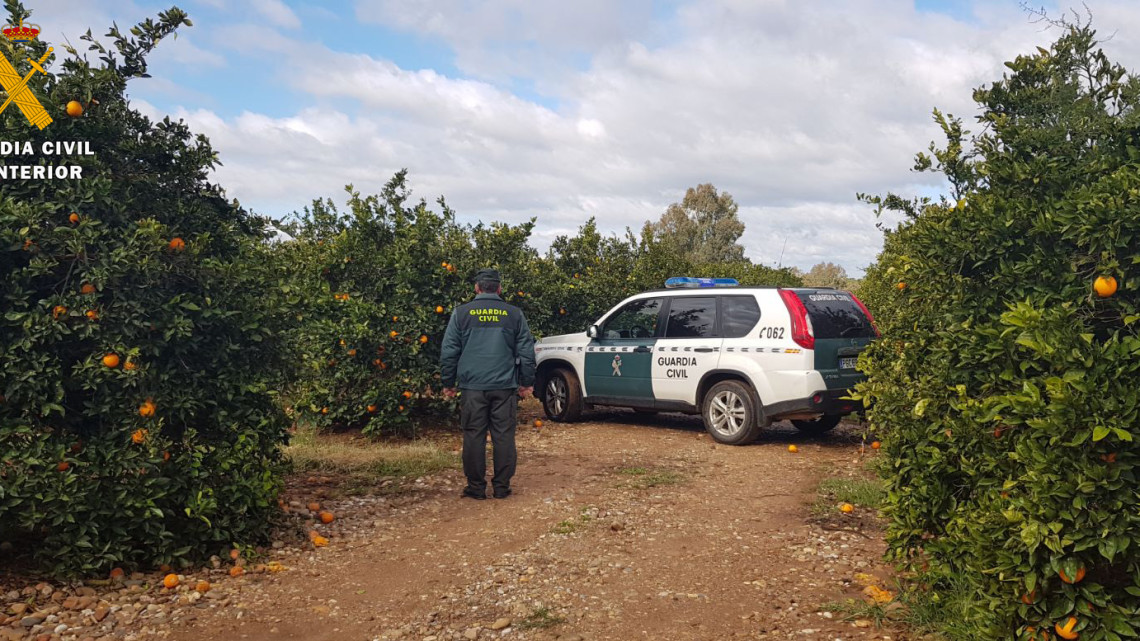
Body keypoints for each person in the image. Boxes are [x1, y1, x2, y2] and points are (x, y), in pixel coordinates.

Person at [440, 268, 536, 500]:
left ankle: (476, 487)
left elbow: (449, 350)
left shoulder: (461, 313)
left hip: (473, 386)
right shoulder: (513, 314)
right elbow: (526, 351)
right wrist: (526, 382)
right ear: (499, 288)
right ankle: (502, 487)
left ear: (477, 288)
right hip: (504, 386)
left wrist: (448, 382)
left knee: (474, 434)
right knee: (503, 435)